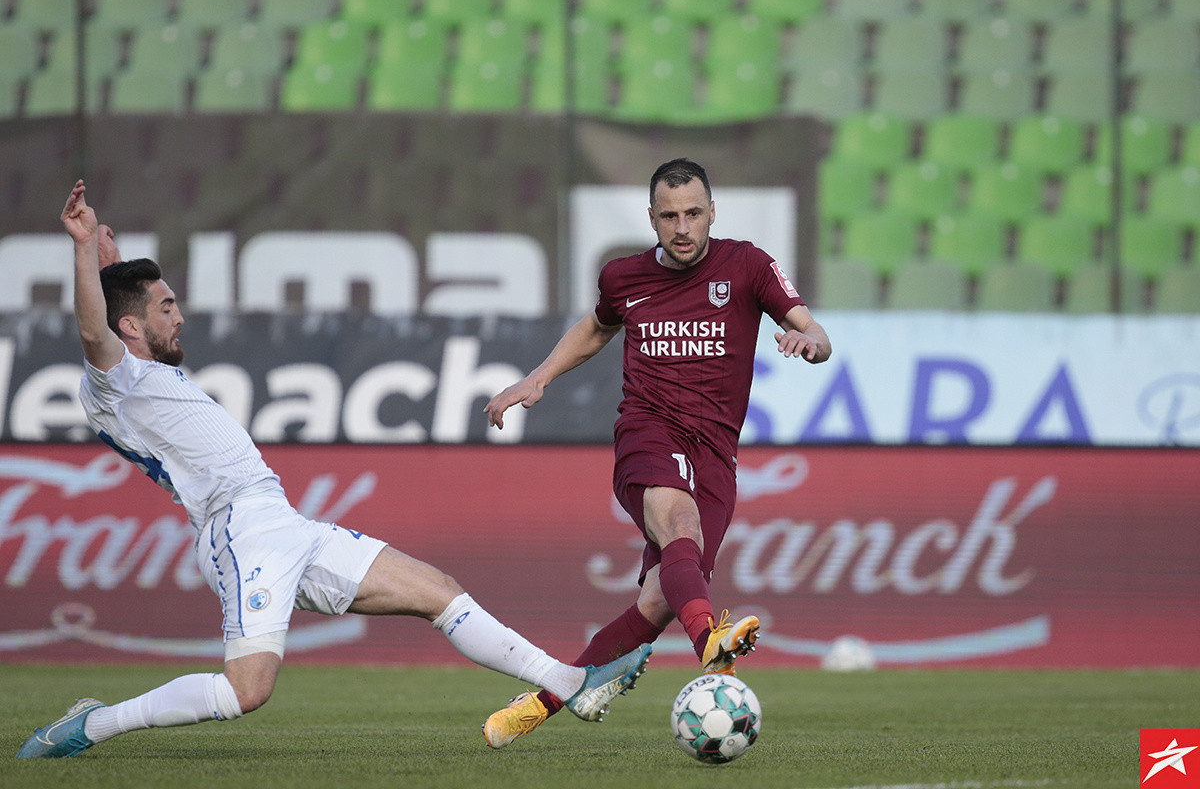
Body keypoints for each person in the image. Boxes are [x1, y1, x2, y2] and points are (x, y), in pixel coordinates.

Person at [16, 180, 651, 759]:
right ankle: (92, 725)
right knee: (246, 692)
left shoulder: (142, 371)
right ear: (131, 325)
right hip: (240, 530)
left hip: (279, 522)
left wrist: (109, 266)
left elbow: (112, 320)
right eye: (165, 307)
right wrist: (81, 253)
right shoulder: (112, 383)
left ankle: (568, 681)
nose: (178, 315)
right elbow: (97, 335)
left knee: (436, 590)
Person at [481, 158, 831, 749]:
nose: (683, 227)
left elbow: (817, 336)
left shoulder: (747, 265)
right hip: (649, 433)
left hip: (716, 452)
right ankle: (711, 646)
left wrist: (807, 341)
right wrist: (538, 378)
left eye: (694, 213)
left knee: (658, 601)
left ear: (712, 212)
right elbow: (596, 327)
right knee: (679, 523)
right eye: (669, 216)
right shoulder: (623, 277)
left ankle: (543, 701)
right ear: (651, 219)